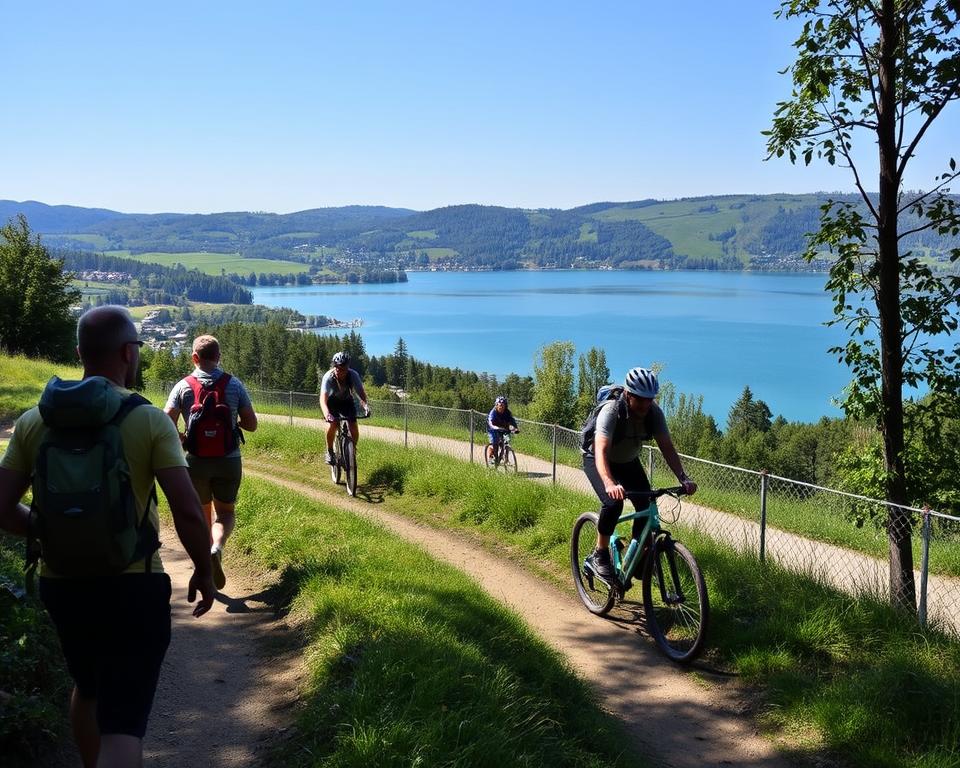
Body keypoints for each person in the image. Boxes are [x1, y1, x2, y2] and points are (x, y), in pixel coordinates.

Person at [0, 305, 215, 768]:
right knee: (123, 724)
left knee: (88, 687)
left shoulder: (34, 421)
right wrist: (204, 569)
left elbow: (1, 508)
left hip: (62, 585)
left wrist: (48, 531)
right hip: (133, 581)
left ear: (80, 352)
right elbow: (189, 514)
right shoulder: (148, 420)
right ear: (128, 353)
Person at [582, 366, 697, 583]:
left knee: (646, 506)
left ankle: (636, 559)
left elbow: (667, 447)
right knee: (613, 504)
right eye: (640, 399)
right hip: (597, 459)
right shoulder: (611, 411)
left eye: (650, 399)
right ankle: (600, 553)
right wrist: (609, 482)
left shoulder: (654, 413)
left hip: (627, 461)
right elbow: (601, 450)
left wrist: (683, 477)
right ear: (628, 394)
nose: (646, 404)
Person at [164, 334, 257, 591]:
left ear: (195, 358)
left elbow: (166, 420)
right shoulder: (234, 385)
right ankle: (217, 547)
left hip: (195, 462)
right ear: (218, 357)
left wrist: (182, 438)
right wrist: (233, 423)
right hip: (228, 461)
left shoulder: (183, 386)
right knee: (225, 513)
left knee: (203, 514)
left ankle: (205, 564)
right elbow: (252, 425)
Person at [320, 351, 370, 465]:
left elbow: (361, 393)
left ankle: (351, 451)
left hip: (347, 401)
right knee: (332, 425)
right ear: (334, 366)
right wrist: (327, 414)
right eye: (337, 367)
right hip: (331, 403)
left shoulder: (353, 375)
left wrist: (365, 406)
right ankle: (330, 451)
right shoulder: (328, 377)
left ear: (348, 367)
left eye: (343, 368)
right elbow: (323, 400)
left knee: (353, 426)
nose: (340, 371)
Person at [486, 395, 519, 461]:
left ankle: (505, 457)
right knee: (495, 442)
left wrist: (515, 428)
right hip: (492, 428)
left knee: (506, 441)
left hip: (503, 428)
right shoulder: (493, 412)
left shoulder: (507, 412)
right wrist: (496, 428)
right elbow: (490, 423)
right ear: (496, 405)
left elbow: (511, 421)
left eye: (503, 405)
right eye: (500, 405)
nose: (501, 407)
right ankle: (491, 457)